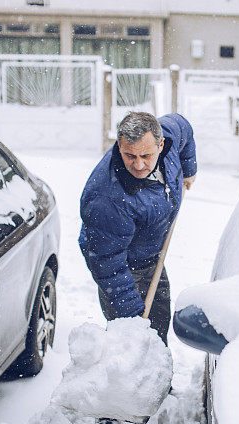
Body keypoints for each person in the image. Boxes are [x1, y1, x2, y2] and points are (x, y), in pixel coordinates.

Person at [79, 112, 197, 346]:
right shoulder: (107, 199)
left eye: (146, 155)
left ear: (161, 144)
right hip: (125, 271)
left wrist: (189, 168)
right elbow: (108, 265)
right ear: (119, 145)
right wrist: (133, 316)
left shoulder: (169, 135)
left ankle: (159, 376)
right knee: (133, 345)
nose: (139, 164)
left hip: (152, 257)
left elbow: (184, 126)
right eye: (129, 155)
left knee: (159, 331)